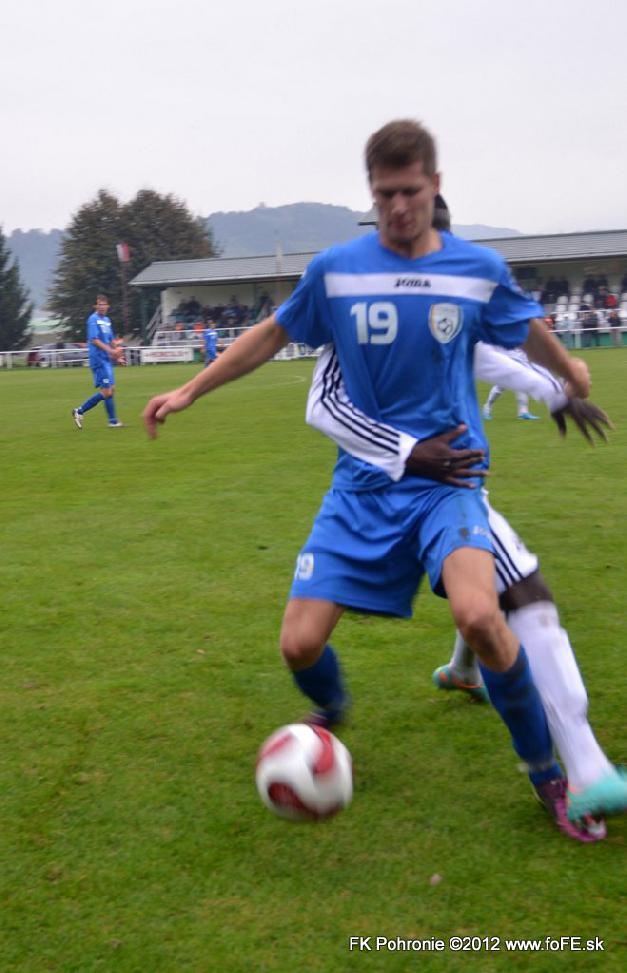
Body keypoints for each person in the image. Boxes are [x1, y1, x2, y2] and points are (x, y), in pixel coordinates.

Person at [143, 119, 594, 831]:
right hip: (360, 488)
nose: (398, 208)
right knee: (297, 644)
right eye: (384, 194)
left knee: (479, 615)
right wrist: (188, 391)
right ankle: (331, 711)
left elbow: (523, 322)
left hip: (449, 482)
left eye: (410, 192)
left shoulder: (473, 267)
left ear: (434, 186)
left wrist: (566, 370)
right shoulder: (337, 269)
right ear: (371, 192)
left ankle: (549, 774)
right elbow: (270, 335)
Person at [72, 294, 124, 429]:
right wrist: (112, 352)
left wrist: (118, 356)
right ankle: (79, 411)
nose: (101, 307)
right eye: (99, 304)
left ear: (107, 306)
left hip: (106, 360)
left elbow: (111, 340)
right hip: (98, 360)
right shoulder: (93, 320)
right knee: (107, 391)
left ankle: (113, 421)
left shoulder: (107, 320)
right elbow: (94, 340)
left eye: (103, 304)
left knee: (111, 390)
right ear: (96, 306)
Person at [482, 350, 541, 421]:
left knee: (522, 384)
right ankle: (487, 407)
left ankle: (523, 412)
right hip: (508, 360)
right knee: (501, 386)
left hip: (521, 361)